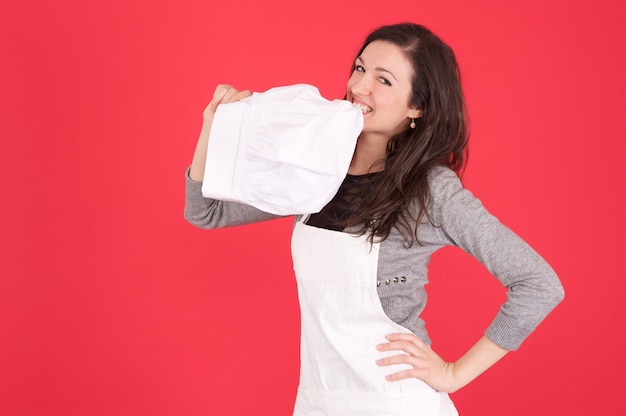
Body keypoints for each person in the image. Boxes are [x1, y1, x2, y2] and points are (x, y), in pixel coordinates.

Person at [184, 23, 564, 416]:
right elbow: (205, 212)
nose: (360, 87)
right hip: (318, 400)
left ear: (417, 107)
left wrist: (453, 374)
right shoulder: (316, 165)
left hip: (395, 402)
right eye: (360, 68)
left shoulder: (429, 190)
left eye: (383, 80)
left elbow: (539, 285)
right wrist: (213, 127)